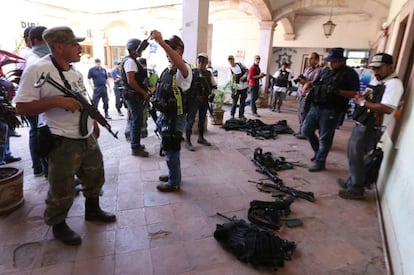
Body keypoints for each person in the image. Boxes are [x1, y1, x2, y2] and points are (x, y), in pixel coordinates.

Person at [14, 26, 116, 245]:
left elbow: (83, 102)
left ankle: (93, 210)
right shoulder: (37, 70)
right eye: (74, 45)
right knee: (62, 187)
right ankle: (58, 225)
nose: (80, 48)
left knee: (94, 176)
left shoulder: (75, 71)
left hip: (85, 135)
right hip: (61, 140)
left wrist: (93, 124)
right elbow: (21, 107)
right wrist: (57, 102)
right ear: (59, 47)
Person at [338, 53, 404, 199]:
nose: (376, 72)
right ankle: (351, 182)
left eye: (379, 68)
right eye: (374, 69)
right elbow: (369, 94)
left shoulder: (394, 84)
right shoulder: (378, 79)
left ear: (390, 67)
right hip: (363, 122)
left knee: (358, 157)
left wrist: (363, 103)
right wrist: (362, 97)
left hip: (371, 127)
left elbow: (387, 108)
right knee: (353, 155)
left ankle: (356, 188)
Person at [302, 47, 360, 172]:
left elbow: (355, 93)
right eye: (329, 61)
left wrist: (338, 91)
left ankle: (320, 161)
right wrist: (307, 84)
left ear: (341, 61)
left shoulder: (350, 74)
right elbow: (316, 82)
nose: (330, 64)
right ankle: (318, 153)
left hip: (332, 110)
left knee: (325, 137)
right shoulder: (325, 70)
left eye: (333, 61)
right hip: (316, 106)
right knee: (306, 130)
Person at [150, 31, 192, 192]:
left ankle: (174, 182)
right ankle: (173, 174)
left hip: (176, 117)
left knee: (172, 148)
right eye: (167, 47)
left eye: (171, 48)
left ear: (179, 50)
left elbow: (179, 63)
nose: (167, 52)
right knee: (168, 147)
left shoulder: (184, 68)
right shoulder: (169, 70)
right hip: (166, 115)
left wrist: (161, 42)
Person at [25, 25, 49, 177]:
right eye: (46, 40)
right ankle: (43, 168)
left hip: (41, 106)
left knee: (38, 133)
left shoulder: (41, 58)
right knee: (39, 134)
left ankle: (41, 168)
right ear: (35, 41)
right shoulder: (33, 61)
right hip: (37, 105)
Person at [120, 38, 149, 157]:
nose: (140, 51)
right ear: (132, 50)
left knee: (135, 120)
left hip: (133, 95)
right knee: (137, 121)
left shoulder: (131, 60)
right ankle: (136, 147)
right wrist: (143, 92)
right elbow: (131, 81)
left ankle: (135, 144)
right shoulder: (130, 62)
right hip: (134, 95)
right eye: (138, 49)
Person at [184, 52, 217, 151]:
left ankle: (201, 138)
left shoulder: (208, 74)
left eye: (203, 61)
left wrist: (212, 95)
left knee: (202, 120)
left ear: (207, 62)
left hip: (204, 100)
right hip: (193, 100)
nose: (201, 63)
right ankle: (188, 141)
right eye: (200, 61)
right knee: (190, 120)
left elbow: (214, 85)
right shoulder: (192, 72)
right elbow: (186, 86)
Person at [295, 52, 321, 139]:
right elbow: (305, 78)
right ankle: (301, 130)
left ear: (317, 60)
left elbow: (314, 83)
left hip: (309, 94)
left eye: (312, 58)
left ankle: (304, 132)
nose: (309, 60)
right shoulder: (307, 69)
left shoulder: (319, 70)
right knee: (299, 113)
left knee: (304, 113)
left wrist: (305, 82)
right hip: (301, 93)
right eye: (309, 58)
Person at [228, 55, 248, 120]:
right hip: (236, 88)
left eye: (232, 59)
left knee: (242, 102)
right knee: (234, 102)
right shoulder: (230, 70)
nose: (231, 61)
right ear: (228, 61)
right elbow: (230, 81)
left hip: (244, 87)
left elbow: (247, 71)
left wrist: (244, 76)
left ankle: (241, 115)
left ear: (234, 59)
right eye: (229, 60)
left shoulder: (240, 65)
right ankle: (232, 115)